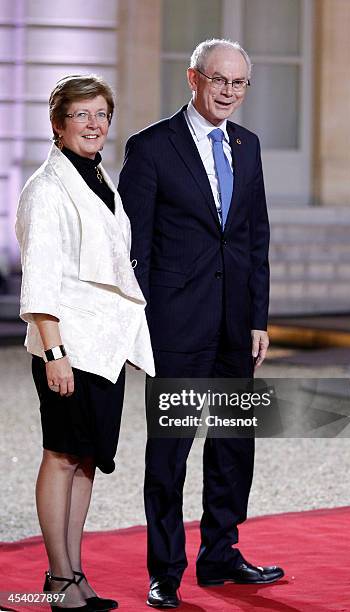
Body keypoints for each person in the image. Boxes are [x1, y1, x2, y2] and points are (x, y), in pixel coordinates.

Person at [118, 39, 284, 609]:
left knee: (234, 446)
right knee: (170, 452)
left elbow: (255, 238)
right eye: (219, 81)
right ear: (194, 78)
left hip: (236, 327)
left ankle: (220, 554)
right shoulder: (152, 148)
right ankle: (165, 569)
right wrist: (139, 324)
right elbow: (131, 246)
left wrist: (258, 318)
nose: (229, 93)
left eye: (239, 84)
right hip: (177, 327)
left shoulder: (248, 145)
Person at [16, 74, 154, 612]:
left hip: (102, 345)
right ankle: (56, 580)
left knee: (87, 460)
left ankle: (76, 576)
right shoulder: (47, 189)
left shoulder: (98, 178)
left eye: (102, 114)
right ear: (58, 124)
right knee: (60, 456)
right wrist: (54, 353)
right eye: (82, 115)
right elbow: (41, 279)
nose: (95, 124)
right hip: (67, 347)